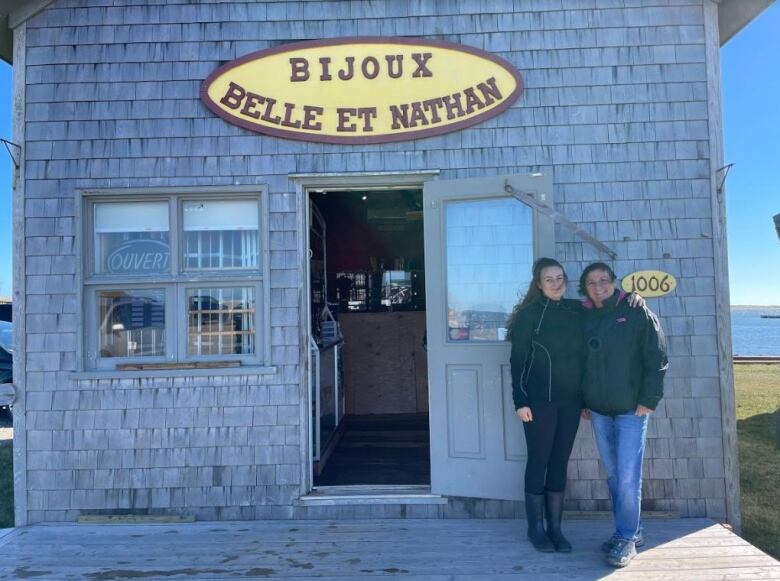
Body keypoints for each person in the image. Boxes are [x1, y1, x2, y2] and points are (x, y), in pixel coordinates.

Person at [579, 262, 668, 568]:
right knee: (615, 474)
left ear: (614, 283)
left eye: (603, 280)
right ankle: (630, 529)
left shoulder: (635, 310)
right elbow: (581, 363)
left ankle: (626, 538)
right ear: (585, 287)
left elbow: (656, 356)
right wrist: (584, 400)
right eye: (591, 282)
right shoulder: (584, 315)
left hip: (632, 409)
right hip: (600, 411)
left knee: (628, 476)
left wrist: (649, 399)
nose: (598, 286)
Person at [507, 258, 585, 553]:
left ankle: (555, 528)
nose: (555, 283)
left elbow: (588, 355)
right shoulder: (530, 315)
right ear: (538, 284)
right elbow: (518, 362)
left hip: (571, 402)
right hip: (538, 403)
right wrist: (520, 400)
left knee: (559, 462)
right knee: (538, 461)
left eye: (560, 277)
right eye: (548, 279)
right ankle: (535, 528)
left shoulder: (576, 311)